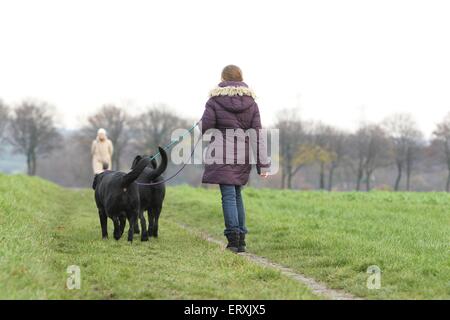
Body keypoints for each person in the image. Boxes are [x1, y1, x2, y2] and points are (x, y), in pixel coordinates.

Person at [201, 65, 270, 253]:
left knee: (228, 196)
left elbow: (206, 128)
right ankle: (241, 240)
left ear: (223, 78)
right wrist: (263, 165)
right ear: (241, 78)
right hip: (243, 154)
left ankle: (233, 239)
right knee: (237, 194)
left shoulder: (214, 101)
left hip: (221, 153)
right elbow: (257, 135)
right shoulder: (252, 103)